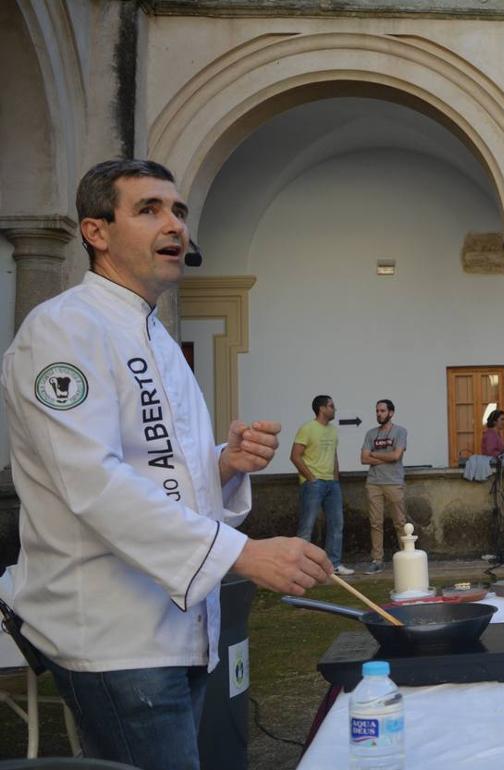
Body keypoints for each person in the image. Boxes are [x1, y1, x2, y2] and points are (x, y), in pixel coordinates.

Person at [0, 158, 332, 770]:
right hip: (115, 634)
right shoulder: (61, 332)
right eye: (149, 209)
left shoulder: (156, 337)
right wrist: (243, 554)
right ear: (96, 232)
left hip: (179, 628)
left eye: (178, 210)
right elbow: (92, 483)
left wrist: (223, 464)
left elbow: (157, 467)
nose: (174, 224)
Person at [293, 394, 353, 575]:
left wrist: (336, 478)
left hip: (332, 484)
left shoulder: (333, 430)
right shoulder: (307, 428)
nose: (334, 409)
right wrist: (311, 478)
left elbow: (333, 455)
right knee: (307, 525)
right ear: (321, 409)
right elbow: (295, 456)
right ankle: (299, 566)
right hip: (313, 484)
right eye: (331, 406)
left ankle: (333, 564)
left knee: (337, 523)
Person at [360, 399, 408, 574]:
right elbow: (363, 459)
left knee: (400, 522)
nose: (379, 414)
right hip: (374, 483)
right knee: (375, 523)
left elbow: (396, 456)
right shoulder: (370, 434)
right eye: (377, 411)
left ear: (391, 413)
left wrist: (374, 454)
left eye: (382, 411)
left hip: (394, 482)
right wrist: (385, 456)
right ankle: (377, 560)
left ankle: (407, 556)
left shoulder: (400, 431)